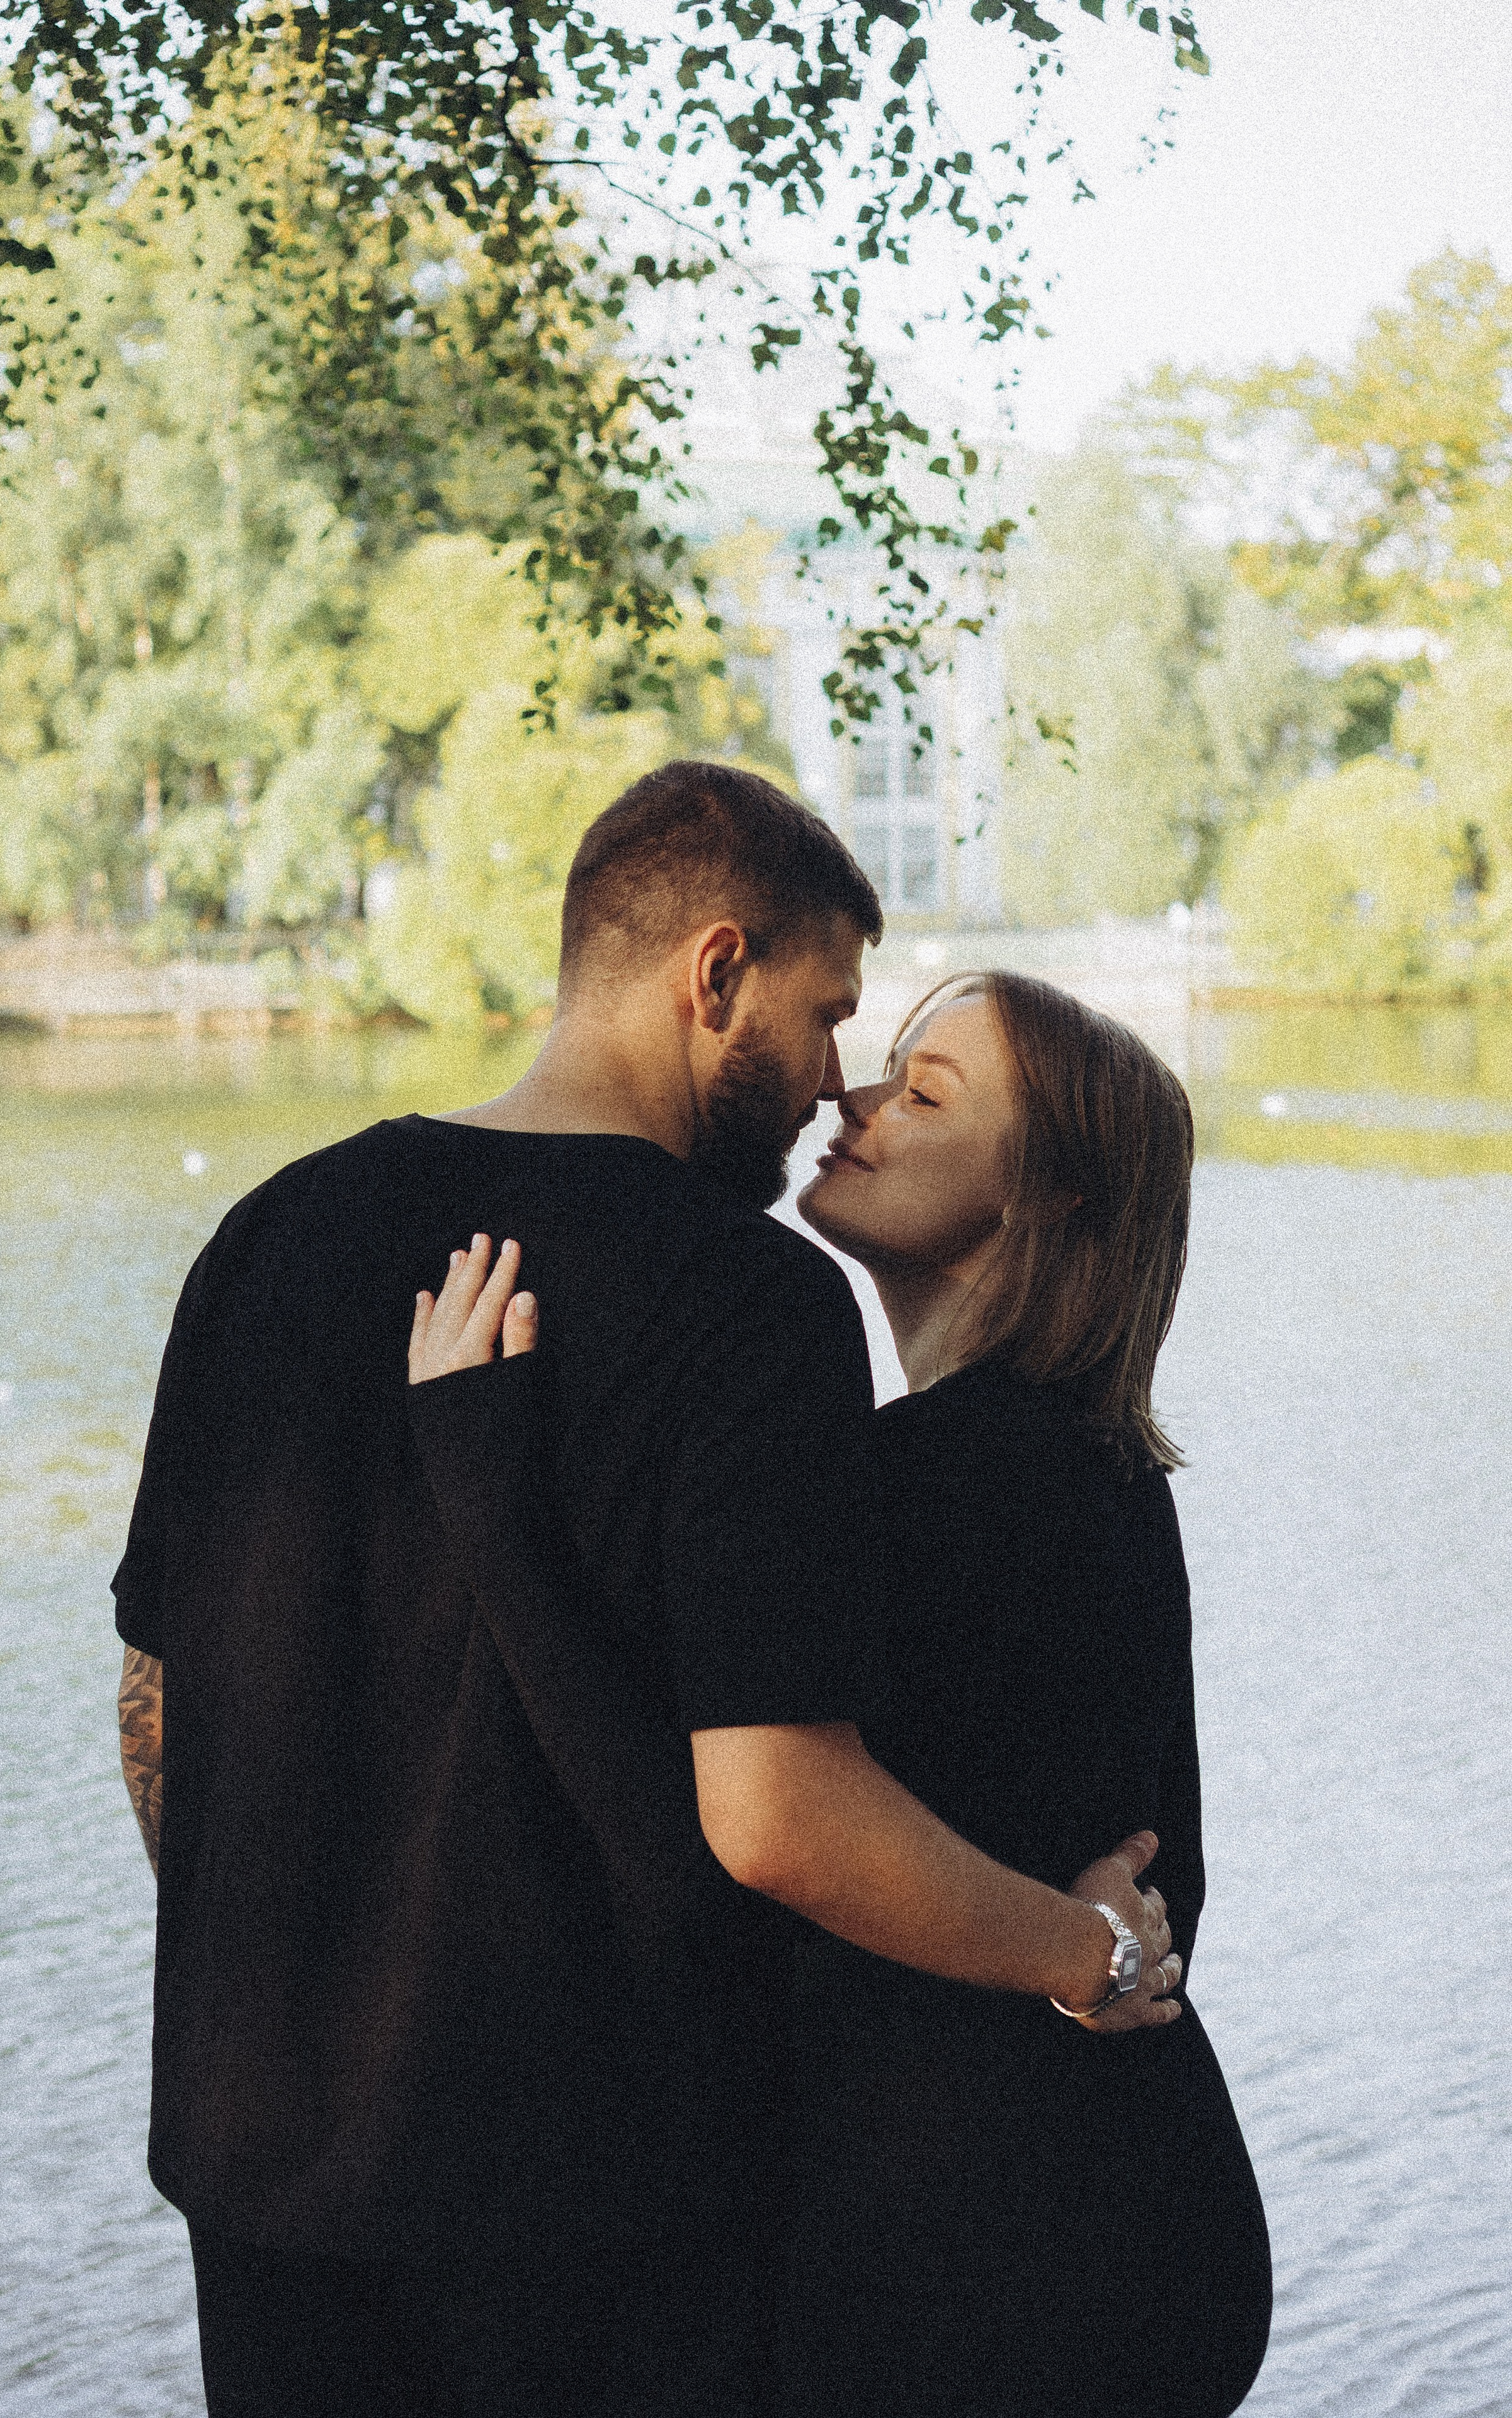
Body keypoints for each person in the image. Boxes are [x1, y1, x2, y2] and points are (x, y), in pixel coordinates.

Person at [115, 764, 1183, 2418]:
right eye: (829, 1016)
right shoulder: (748, 1303)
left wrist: (297, 1978)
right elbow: (772, 1814)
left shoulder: (266, 1236)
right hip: (594, 2211)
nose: (834, 1079)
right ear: (715, 976)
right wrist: (1084, 1949)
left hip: (262, 2174)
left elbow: (161, 1714)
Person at [410, 968, 1271, 2417]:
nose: (849, 1100)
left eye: (923, 1095)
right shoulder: (1089, 1466)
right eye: (883, 1067)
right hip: (1117, 2205)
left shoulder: (937, 1480)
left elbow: (690, 1818)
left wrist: (484, 1484)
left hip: (1000, 2266)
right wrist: (1099, 1954)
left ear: (1044, 1201)